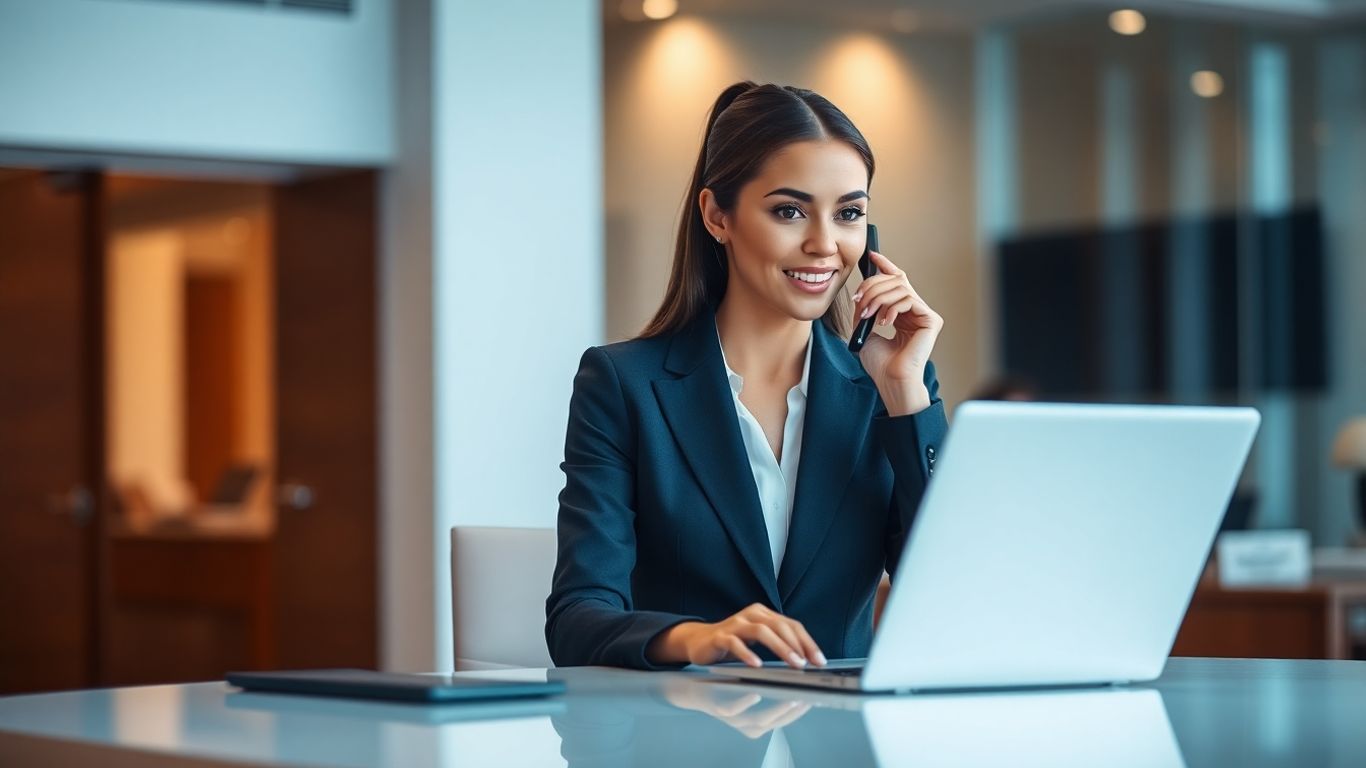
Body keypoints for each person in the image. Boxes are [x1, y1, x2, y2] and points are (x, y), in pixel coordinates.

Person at [545, 81, 947, 671]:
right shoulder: (622, 385)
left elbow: (952, 591)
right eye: (789, 211)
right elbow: (578, 618)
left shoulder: (890, 389)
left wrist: (905, 397)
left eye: (850, 214)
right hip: (685, 739)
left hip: (836, 748)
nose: (824, 244)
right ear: (717, 216)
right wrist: (695, 640)